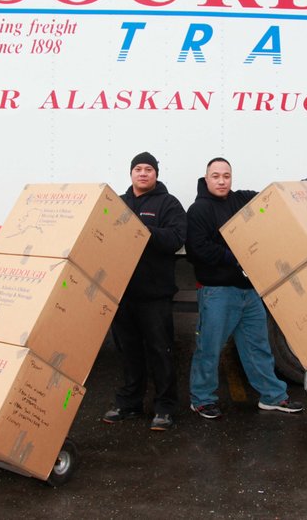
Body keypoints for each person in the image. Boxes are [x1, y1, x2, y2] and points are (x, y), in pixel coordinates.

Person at [185, 157, 304, 419]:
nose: (221, 181)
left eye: (226, 176)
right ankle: (202, 399)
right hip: (217, 292)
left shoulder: (241, 200)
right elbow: (196, 249)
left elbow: (271, 199)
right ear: (206, 178)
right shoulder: (199, 209)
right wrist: (233, 256)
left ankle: (272, 396)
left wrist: (301, 187)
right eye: (216, 176)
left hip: (248, 292)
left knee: (257, 347)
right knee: (209, 347)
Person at [102, 152, 187, 431]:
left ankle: (165, 407)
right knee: (129, 351)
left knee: (160, 351)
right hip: (123, 293)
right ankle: (130, 403)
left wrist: (143, 230)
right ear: (131, 173)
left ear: (156, 174)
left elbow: (176, 238)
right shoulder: (118, 203)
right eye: (137, 169)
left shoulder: (168, 203)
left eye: (148, 169)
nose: (142, 173)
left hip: (154, 295)